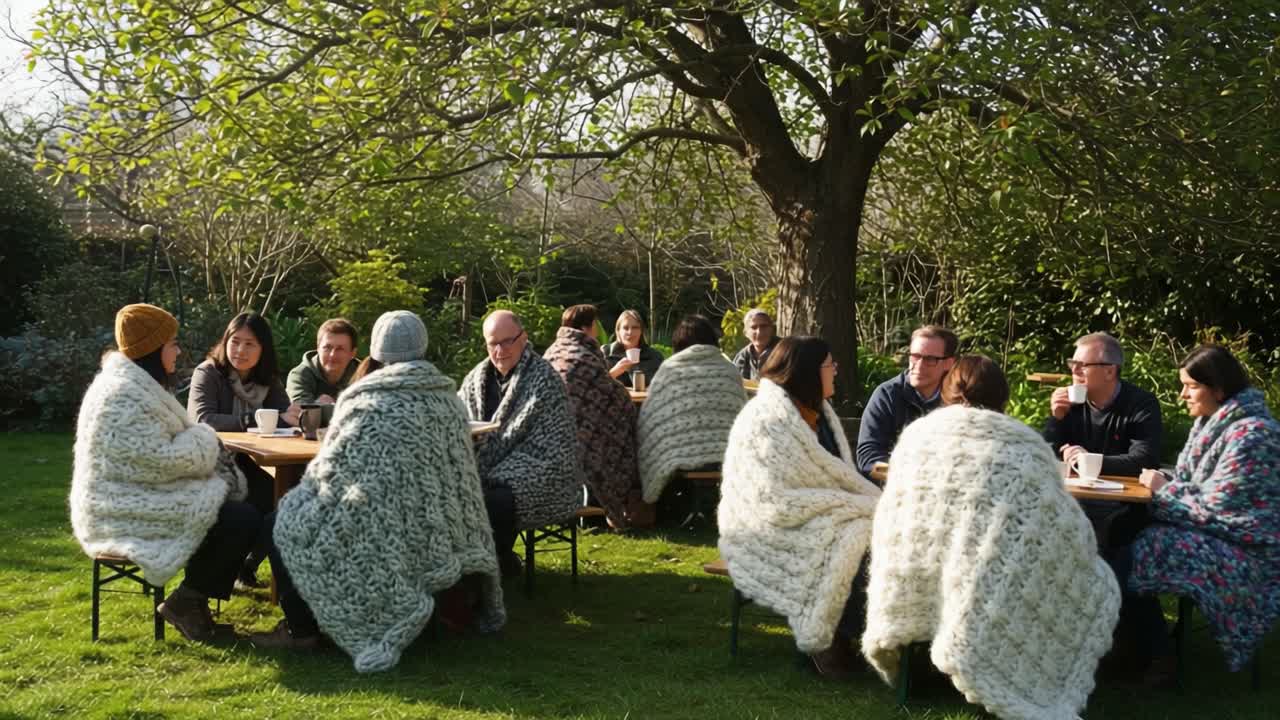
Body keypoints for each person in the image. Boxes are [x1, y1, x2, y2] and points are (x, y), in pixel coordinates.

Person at [862, 355, 1120, 718]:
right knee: (1091, 577)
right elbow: (1059, 525)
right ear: (1003, 398)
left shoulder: (915, 439)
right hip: (987, 575)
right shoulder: (1023, 447)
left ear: (947, 393)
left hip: (916, 563)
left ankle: (924, 670)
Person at [252, 311, 505, 671]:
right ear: (422, 347)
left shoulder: (364, 400)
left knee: (283, 523)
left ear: (374, 351)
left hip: (382, 525)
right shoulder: (448, 400)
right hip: (435, 528)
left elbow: (330, 473)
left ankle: (302, 628)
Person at [71, 304, 260, 642]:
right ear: (152, 349)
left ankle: (193, 601)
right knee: (239, 517)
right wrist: (203, 439)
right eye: (172, 342)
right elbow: (157, 459)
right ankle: (188, 601)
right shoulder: (122, 396)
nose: (177, 350)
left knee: (245, 503)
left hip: (137, 494)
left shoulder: (132, 385)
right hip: (119, 510)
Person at [1112, 345, 1280, 687]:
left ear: (1217, 388)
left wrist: (1163, 489)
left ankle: (1156, 655)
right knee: (1117, 533)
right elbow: (1201, 489)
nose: (1182, 395)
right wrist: (1170, 484)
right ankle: (1132, 646)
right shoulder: (1213, 424)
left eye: (1190, 386)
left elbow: (1221, 510)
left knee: (1130, 555)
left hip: (1248, 551)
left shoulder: (1253, 435)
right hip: (1214, 533)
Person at [717, 336, 881, 679]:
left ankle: (871, 632)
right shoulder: (767, 420)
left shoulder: (817, 411)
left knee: (868, 532)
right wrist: (849, 505)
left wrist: (850, 505)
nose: (836, 371)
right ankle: (832, 635)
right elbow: (772, 499)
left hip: (811, 515)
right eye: (829, 365)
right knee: (852, 538)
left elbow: (834, 476)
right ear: (807, 372)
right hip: (763, 526)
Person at [457, 310, 581, 576]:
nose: (500, 350)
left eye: (507, 341)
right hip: (484, 468)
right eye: (493, 343)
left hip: (541, 470)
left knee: (493, 500)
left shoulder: (543, 379)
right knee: (454, 494)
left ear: (523, 338)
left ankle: (492, 566)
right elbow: (457, 420)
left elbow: (554, 443)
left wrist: (500, 469)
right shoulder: (474, 379)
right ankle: (465, 569)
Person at [187, 311, 300, 588]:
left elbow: (285, 413)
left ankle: (248, 565)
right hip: (209, 463)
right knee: (256, 504)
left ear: (263, 349)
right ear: (225, 341)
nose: (240, 350)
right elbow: (203, 419)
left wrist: (297, 415)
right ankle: (232, 567)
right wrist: (253, 420)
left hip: (246, 461)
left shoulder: (267, 381)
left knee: (283, 499)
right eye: (235, 341)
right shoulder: (209, 373)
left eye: (250, 344)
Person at [544, 304, 642, 527]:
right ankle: (621, 505)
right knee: (623, 436)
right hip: (581, 435)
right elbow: (615, 397)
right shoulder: (583, 355)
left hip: (552, 431)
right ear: (588, 327)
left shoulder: (553, 351)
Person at [637, 314, 746, 505]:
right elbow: (744, 418)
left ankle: (669, 505)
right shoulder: (729, 370)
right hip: (728, 453)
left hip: (679, 455)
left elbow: (650, 419)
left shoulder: (670, 369)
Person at [1044, 331, 1162, 476]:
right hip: (1075, 491)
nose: (1074, 371)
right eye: (1073, 364)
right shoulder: (1069, 402)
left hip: (1121, 494)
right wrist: (1056, 419)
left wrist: (1088, 461)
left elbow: (1146, 460)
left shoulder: (1141, 404)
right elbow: (1043, 455)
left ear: (1110, 372)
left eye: (1082, 365)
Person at [855, 325, 958, 477]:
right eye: (915, 356)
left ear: (948, 363)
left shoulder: (958, 399)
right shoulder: (887, 395)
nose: (919, 365)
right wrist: (907, 477)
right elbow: (868, 460)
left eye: (930, 359)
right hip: (894, 491)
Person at [286, 317, 359, 412]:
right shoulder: (300, 375)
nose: (332, 355)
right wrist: (319, 405)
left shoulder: (364, 375)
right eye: (327, 347)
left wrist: (326, 407)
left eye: (340, 349)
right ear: (318, 348)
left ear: (352, 353)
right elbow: (302, 414)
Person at [603, 309, 664, 388]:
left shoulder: (654, 356)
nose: (630, 332)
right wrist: (615, 371)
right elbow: (596, 386)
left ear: (641, 331)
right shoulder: (605, 353)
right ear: (618, 331)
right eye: (625, 328)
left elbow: (664, 385)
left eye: (635, 328)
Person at [731, 308, 780, 380]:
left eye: (764, 326)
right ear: (745, 333)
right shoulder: (742, 357)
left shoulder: (785, 350)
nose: (759, 332)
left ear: (772, 328)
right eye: (754, 327)